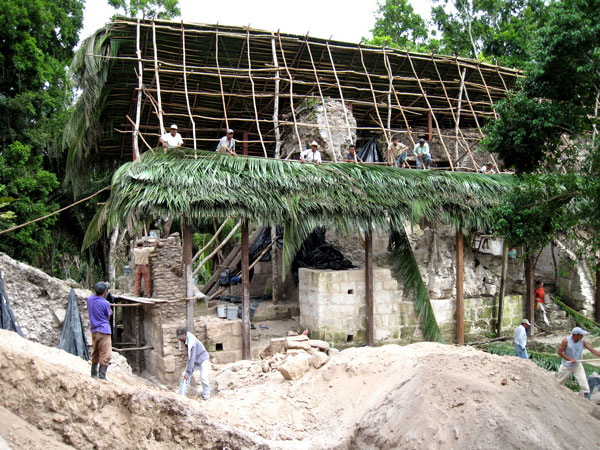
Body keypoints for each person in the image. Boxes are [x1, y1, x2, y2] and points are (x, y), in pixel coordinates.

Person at [557, 327, 600, 398]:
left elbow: (591, 350)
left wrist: (599, 354)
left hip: (577, 365)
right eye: (581, 335)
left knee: (584, 383)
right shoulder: (566, 341)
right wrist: (570, 359)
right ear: (576, 335)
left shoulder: (582, 341)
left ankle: (587, 399)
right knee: (559, 382)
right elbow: (559, 352)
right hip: (566, 366)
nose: (582, 336)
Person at [87, 281, 112, 381]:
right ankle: (102, 375)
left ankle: (93, 373)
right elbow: (108, 317)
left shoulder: (89, 299)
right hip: (104, 330)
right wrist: (110, 311)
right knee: (106, 353)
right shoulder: (105, 303)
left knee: (96, 351)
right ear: (105, 291)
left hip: (94, 330)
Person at [176, 327, 210, 399]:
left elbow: (192, 358)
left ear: (185, 335)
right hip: (195, 359)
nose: (180, 339)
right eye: (179, 337)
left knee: (203, 377)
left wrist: (188, 372)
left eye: (182, 337)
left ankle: (206, 395)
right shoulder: (185, 339)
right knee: (185, 376)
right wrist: (187, 373)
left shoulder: (192, 342)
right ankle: (181, 395)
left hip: (203, 358)